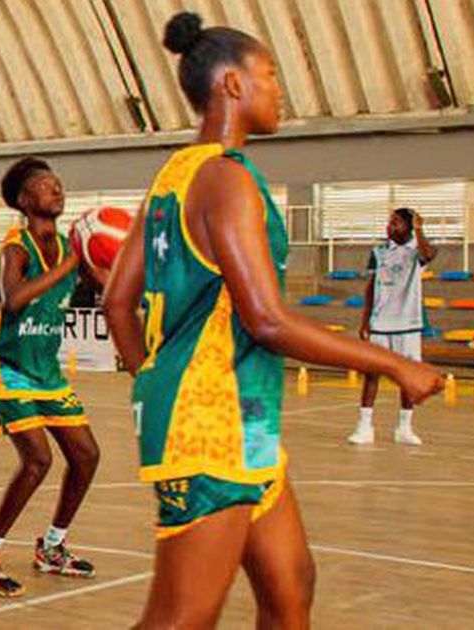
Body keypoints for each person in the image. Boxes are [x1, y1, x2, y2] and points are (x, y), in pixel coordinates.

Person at [102, 12, 444, 628]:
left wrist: (152, 383)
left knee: (292, 586)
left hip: (240, 419)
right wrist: (395, 364)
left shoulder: (173, 176)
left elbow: (115, 302)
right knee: (183, 616)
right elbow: (267, 320)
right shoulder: (226, 181)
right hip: (211, 421)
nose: (279, 87)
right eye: (270, 73)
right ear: (232, 84)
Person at [0, 157, 101, 598]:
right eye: (44, 185)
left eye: (58, 184)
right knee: (38, 459)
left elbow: (102, 287)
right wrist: (74, 260)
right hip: (1, 362)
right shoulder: (15, 247)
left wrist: (104, 258)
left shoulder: (68, 248)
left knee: (86, 455)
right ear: (24, 200)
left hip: (43, 369)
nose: (56, 189)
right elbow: (15, 298)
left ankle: (53, 547)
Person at [349, 207, 437, 445]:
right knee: (372, 374)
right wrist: (365, 319)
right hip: (380, 322)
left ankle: (404, 428)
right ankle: (365, 426)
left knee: (408, 376)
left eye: (396, 223)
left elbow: (428, 255)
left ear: (409, 227)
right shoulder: (378, 252)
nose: (390, 227)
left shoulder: (416, 252)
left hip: (408, 324)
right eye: (389, 222)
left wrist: (420, 228)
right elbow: (370, 287)